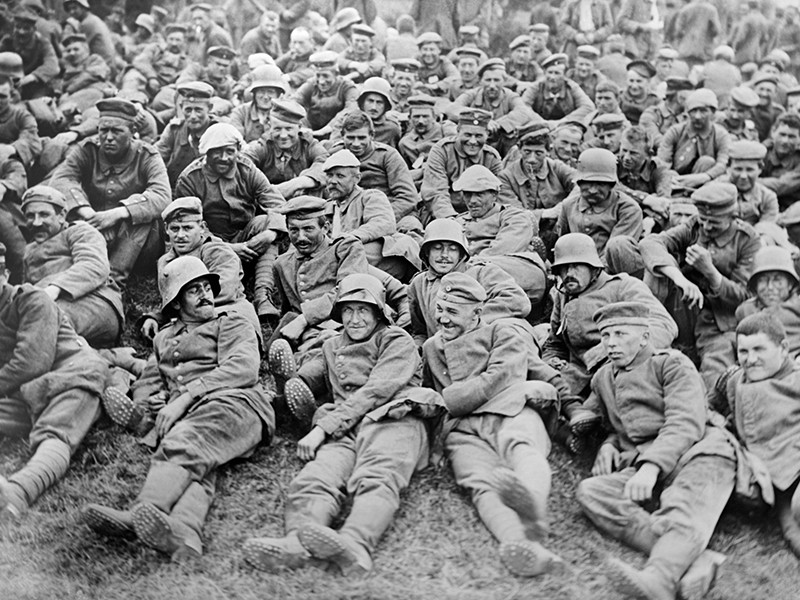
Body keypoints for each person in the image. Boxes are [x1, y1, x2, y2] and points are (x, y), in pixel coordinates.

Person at [83, 257, 274, 560]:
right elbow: (152, 380)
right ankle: (185, 533)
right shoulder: (164, 338)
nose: (205, 295)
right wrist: (155, 402)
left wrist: (184, 396)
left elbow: (243, 369)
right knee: (200, 466)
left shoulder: (231, 321)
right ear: (175, 303)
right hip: (193, 416)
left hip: (237, 404)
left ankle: (144, 511)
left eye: (207, 288)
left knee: (184, 442)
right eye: (194, 290)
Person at [243, 273, 436, 575]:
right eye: (348, 309)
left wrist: (322, 428)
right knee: (316, 477)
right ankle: (297, 542)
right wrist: (282, 391)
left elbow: (376, 390)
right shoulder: (332, 345)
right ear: (338, 313)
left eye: (363, 310)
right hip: (346, 427)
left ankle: (355, 543)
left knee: (379, 475)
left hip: (393, 418)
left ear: (378, 312)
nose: (355, 319)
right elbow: (312, 375)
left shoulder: (396, 340)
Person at [576, 301, 735, 600]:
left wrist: (650, 468)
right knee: (593, 492)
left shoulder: (671, 364)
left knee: (685, 508)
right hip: (646, 462)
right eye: (605, 336)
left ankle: (660, 579)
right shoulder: (603, 379)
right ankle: (695, 557)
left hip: (700, 451)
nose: (611, 343)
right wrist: (609, 445)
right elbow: (611, 422)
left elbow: (686, 421)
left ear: (645, 337)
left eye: (620, 334)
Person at [422, 272, 565, 577]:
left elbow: (499, 379)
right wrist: (435, 443)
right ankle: (524, 545)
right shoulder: (432, 348)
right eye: (439, 309)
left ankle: (533, 506)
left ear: (477, 312)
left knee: (522, 447)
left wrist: (452, 400)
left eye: (452, 312)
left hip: (510, 409)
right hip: (463, 432)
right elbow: (430, 396)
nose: (442, 319)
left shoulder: (503, 333)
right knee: (479, 483)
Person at [0, 241, 107, 521]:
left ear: (5, 275)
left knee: (56, 431)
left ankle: (19, 490)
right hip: (26, 393)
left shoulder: (31, 299)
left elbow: (32, 362)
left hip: (71, 375)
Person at [639, 181, 760, 390]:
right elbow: (650, 243)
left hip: (717, 318)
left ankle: (711, 405)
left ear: (733, 217)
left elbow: (746, 297)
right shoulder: (694, 226)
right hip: (682, 305)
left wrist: (711, 272)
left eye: (714, 222)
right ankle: (652, 330)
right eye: (703, 219)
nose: (706, 227)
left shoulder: (748, 240)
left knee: (716, 366)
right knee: (629, 252)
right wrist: (679, 278)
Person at [543, 233, 677, 404]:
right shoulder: (564, 297)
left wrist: (609, 349)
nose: (569, 273)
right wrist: (552, 362)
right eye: (563, 268)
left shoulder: (623, 286)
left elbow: (664, 325)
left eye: (576, 266)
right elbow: (555, 343)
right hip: (577, 376)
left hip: (621, 366)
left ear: (594, 268)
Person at [49, 98, 170, 287]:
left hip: (137, 246)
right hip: (96, 229)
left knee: (141, 210)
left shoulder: (147, 155)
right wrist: (86, 211)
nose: (109, 137)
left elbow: (162, 195)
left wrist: (117, 213)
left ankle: (114, 281)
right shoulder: (87, 150)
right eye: (103, 130)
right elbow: (61, 179)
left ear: (132, 133)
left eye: (117, 131)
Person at [174, 123, 286, 321]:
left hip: (246, 236)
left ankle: (262, 294)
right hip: (207, 244)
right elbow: (188, 226)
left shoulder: (247, 170)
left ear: (238, 151)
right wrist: (228, 247)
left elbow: (276, 203)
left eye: (229, 151)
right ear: (206, 152)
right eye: (217, 152)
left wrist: (271, 233)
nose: (224, 158)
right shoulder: (190, 179)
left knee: (264, 223)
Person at [714, 312, 800, 558]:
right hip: (777, 478)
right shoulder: (732, 380)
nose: (750, 360)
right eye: (743, 351)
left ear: (783, 348)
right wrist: (721, 423)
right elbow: (705, 408)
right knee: (794, 532)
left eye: (759, 349)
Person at [21, 185, 122, 348]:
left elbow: (94, 266)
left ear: (61, 215)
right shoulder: (29, 250)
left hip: (93, 301)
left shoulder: (80, 231)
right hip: (50, 306)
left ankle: (120, 360)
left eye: (44, 215)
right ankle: (108, 359)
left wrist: (53, 289)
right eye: (30, 216)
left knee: (40, 323)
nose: (36, 222)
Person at [407, 218, 530, 345]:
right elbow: (420, 332)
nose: (444, 255)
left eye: (453, 249)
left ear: (461, 254)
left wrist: (470, 321)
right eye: (437, 248)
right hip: (443, 351)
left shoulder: (482, 272)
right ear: (426, 252)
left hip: (482, 345)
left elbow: (517, 300)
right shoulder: (419, 284)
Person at [324, 149, 420, 281]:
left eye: (340, 176)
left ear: (356, 179)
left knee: (349, 253)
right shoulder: (327, 207)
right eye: (329, 175)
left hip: (380, 259)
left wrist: (347, 239)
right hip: (344, 257)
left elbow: (383, 223)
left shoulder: (370, 196)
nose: (333, 181)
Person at [557, 148, 643, 273]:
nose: (593, 190)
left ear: (612, 185)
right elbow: (562, 243)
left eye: (600, 184)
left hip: (618, 272)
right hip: (579, 272)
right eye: (588, 183)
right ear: (579, 183)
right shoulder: (568, 206)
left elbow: (618, 252)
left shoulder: (628, 209)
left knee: (618, 244)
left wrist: (594, 276)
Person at [420, 108, 502, 222]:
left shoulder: (491, 157)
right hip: (443, 215)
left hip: (481, 217)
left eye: (478, 136)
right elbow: (436, 192)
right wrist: (451, 218)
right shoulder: (442, 150)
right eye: (467, 135)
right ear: (457, 131)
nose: (473, 141)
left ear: (487, 135)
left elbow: (499, 193)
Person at [242, 98, 328, 199]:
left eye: (289, 129)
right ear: (270, 127)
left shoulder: (308, 144)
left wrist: (299, 183)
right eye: (277, 129)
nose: (283, 135)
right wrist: (268, 189)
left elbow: (325, 163)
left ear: (299, 127)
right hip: (269, 203)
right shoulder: (264, 146)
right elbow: (243, 164)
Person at [451, 59, 535, 157]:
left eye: (496, 80)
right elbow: (452, 109)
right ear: (480, 81)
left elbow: (523, 112)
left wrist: (498, 125)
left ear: (504, 82)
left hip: (502, 147)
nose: (492, 85)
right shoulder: (472, 94)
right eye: (488, 80)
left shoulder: (510, 96)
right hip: (473, 143)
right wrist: (482, 120)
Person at [657, 88, 731, 190]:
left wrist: (704, 176)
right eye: (693, 111)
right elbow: (662, 160)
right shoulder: (675, 131)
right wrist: (670, 177)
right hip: (675, 182)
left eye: (703, 111)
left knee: (707, 162)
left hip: (705, 184)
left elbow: (722, 163)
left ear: (713, 112)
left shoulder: (721, 135)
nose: (697, 116)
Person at [735, 246, 800, 358]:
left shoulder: (797, 306)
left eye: (777, 280)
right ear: (755, 285)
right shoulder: (745, 310)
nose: (770, 287)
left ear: (790, 284)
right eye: (763, 280)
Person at [154, 81, 218, 186]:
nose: (193, 116)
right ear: (181, 107)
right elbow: (156, 157)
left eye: (198, 110)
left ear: (210, 108)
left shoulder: (218, 131)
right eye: (188, 110)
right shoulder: (174, 129)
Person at [292, 50, 358, 138]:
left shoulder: (347, 87)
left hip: (337, 134)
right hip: (310, 133)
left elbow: (351, 109)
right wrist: (303, 127)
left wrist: (326, 129)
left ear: (336, 74)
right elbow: (294, 102)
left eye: (326, 76)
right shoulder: (311, 84)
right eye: (318, 76)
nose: (321, 81)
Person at [521, 54, 595, 128]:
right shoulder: (536, 87)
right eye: (550, 72)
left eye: (557, 73)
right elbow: (523, 106)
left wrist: (564, 121)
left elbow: (588, 106)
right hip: (538, 127)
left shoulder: (571, 87)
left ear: (564, 76)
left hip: (566, 127)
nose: (552, 77)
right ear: (544, 73)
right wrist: (541, 122)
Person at [0, 6, 59, 99]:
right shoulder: (8, 41)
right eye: (18, 27)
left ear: (34, 29)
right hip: (10, 85)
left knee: (37, 108)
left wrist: (30, 78)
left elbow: (53, 66)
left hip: (35, 86)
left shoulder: (42, 43)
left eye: (26, 28)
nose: (21, 32)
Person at [398, 94, 454, 182]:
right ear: (409, 118)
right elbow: (405, 172)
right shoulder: (405, 143)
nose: (420, 121)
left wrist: (423, 171)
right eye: (416, 117)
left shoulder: (446, 134)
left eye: (425, 116)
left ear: (434, 117)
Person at [723, 140, 779, 226]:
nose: (743, 176)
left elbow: (766, 230)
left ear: (760, 169)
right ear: (728, 168)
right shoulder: (714, 190)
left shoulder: (767, 197)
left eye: (750, 170)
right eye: (738, 169)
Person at [62, 0, 117, 77]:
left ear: (83, 7)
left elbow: (81, 51)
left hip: (103, 67)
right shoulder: (93, 19)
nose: (72, 12)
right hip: (108, 64)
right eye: (69, 9)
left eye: (75, 8)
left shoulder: (87, 23)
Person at [760, 113, 800, 210]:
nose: (785, 141)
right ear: (773, 132)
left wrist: (750, 181)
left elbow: (781, 185)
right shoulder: (762, 150)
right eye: (782, 134)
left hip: (791, 210)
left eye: (791, 136)